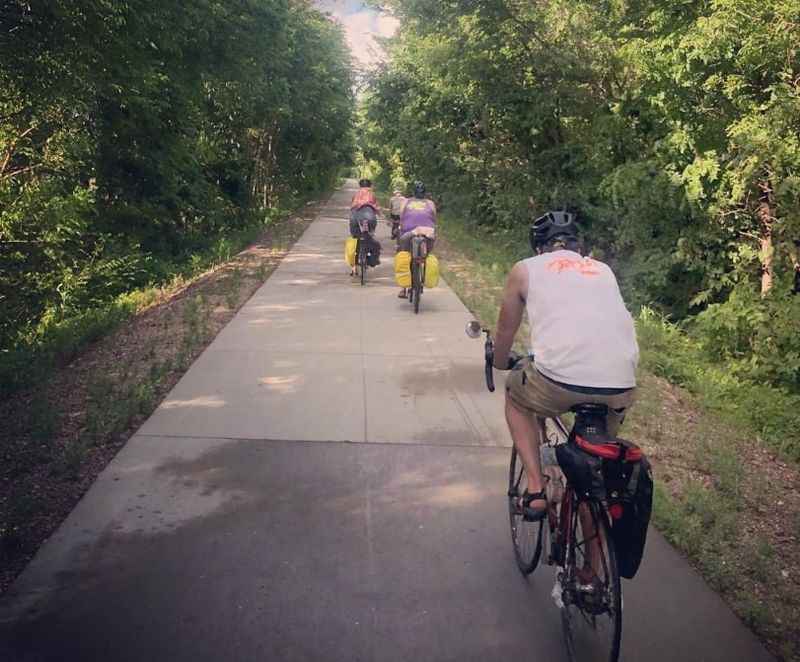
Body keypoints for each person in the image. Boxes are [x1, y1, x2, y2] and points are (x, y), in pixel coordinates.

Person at [492, 211, 639, 582]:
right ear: (579, 246)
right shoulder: (603, 270)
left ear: (538, 247)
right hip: (620, 384)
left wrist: (498, 360)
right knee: (593, 471)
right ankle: (591, 570)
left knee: (516, 396)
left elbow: (506, 331)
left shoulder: (525, 269)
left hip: (557, 381)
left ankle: (537, 488)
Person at [397, 181, 436, 298]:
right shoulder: (430, 203)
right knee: (426, 254)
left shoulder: (406, 201)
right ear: (425, 193)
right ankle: (423, 261)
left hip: (409, 232)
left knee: (404, 255)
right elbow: (434, 218)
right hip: (427, 232)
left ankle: (403, 289)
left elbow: (401, 216)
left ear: (413, 192)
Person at [349, 178, 381, 275]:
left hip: (355, 219)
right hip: (370, 219)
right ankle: (372, 257)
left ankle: (353, 267)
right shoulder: (372, 194)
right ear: (370, 186)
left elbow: (352, 208)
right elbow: (377, 209)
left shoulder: (356, 194)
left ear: (360, 186)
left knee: (355, 240)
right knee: (369, 235)